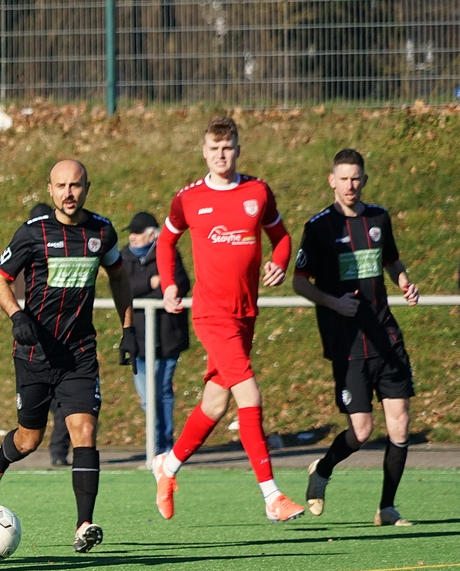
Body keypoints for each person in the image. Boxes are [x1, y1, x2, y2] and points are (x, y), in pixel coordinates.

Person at [0, 159, 137, 553]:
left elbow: (118, 276)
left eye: (75, 185)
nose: (69, 193)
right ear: (49, 190)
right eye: (61, 186)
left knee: (85, 431)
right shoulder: (33, 233)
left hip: (79, 354)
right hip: (34, 353)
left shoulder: (102, 232)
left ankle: (84, 524)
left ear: (87, 188)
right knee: (29, 440)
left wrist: (129, 328)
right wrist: (17, 316)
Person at [152, 116, 305, 523]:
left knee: (215, 403)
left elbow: (282, 237)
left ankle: (167, 466)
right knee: (249, 396)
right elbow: (166, 241)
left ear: (238, 149)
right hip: (211, 314)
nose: (221, 155)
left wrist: (280, 262)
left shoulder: (257, 192)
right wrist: (169, 285)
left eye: (227, 147)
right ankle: (272, 496)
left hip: (245, 314)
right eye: (214, 148)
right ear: (204, 152)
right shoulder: (188, 198)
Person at [292, 149, 419, 526]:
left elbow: (391, 260)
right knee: (361, 430)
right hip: (348, 343)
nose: (350, 185)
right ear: (332, 181)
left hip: (386, 336)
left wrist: (404, 281)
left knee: (400, 423)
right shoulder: (319, 227)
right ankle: (322, 470)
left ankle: (387, 508)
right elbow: (299, 282)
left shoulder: (378, 218)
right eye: (343, 178)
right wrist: (334, 302)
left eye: (356, 178)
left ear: (364, 180)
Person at [0, 203, 73, 466]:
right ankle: (8, 457)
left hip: (66, 340)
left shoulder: (66, 250)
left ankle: (59, 453)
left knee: (70, 405)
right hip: (32, 342)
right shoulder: (28, 246)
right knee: (36, 420)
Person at [121, 211, 191, 456]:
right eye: (131, 233)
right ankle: (157, 443)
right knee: (147, 398)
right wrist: (150, 283)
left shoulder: (169, 253)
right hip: (137, 339)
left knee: (162, 392)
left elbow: (179, 285)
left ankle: (165, 446)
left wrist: (155, 286)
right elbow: (122, 288)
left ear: (152, 235)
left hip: (167, 336)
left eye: (138, 233)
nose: (133, 237)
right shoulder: (124, 256)